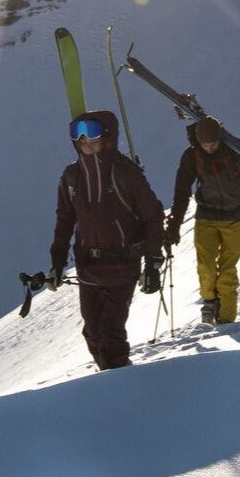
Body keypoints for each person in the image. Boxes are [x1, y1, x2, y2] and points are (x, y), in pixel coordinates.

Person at [49, 107, 165, 370]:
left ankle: (118, 386)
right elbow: (64, 219)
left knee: (111, 333)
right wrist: (57, 262)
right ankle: (111, 379)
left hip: (123, 265)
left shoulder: (126, 173)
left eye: (93, 139)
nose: (87, 145)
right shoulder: (71, 176)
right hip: (89, 266)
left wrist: (153, 264)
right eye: (82, 141)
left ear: (108, 138)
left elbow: (153, 216)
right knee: (92, 333)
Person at [165, 115, 240, 325]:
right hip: (206, 217)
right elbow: (181, 192)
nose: (209, 147)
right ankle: (209, 302)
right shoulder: (191, 156)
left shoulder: (234, 149)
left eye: (213, 143)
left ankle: (226, 320)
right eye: (205, 144)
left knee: (227, 271)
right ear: (198, 141)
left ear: (219, 139)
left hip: (235, 218)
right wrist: (174, 225)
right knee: (205, 268)